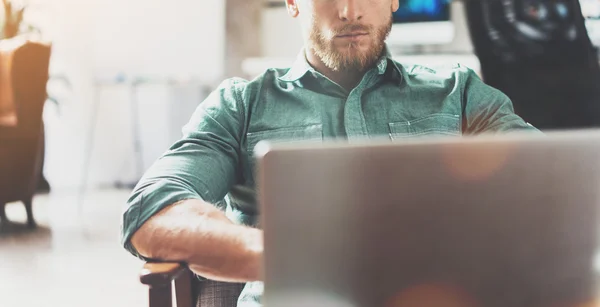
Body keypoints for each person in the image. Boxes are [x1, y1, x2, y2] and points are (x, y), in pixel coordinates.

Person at [121, 0, 538, 306]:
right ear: (292, 3)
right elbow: (151, 210)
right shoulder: (242, 104)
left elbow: (551, 181)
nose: (350, 10)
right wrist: (290, 254)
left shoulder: (458, 93)